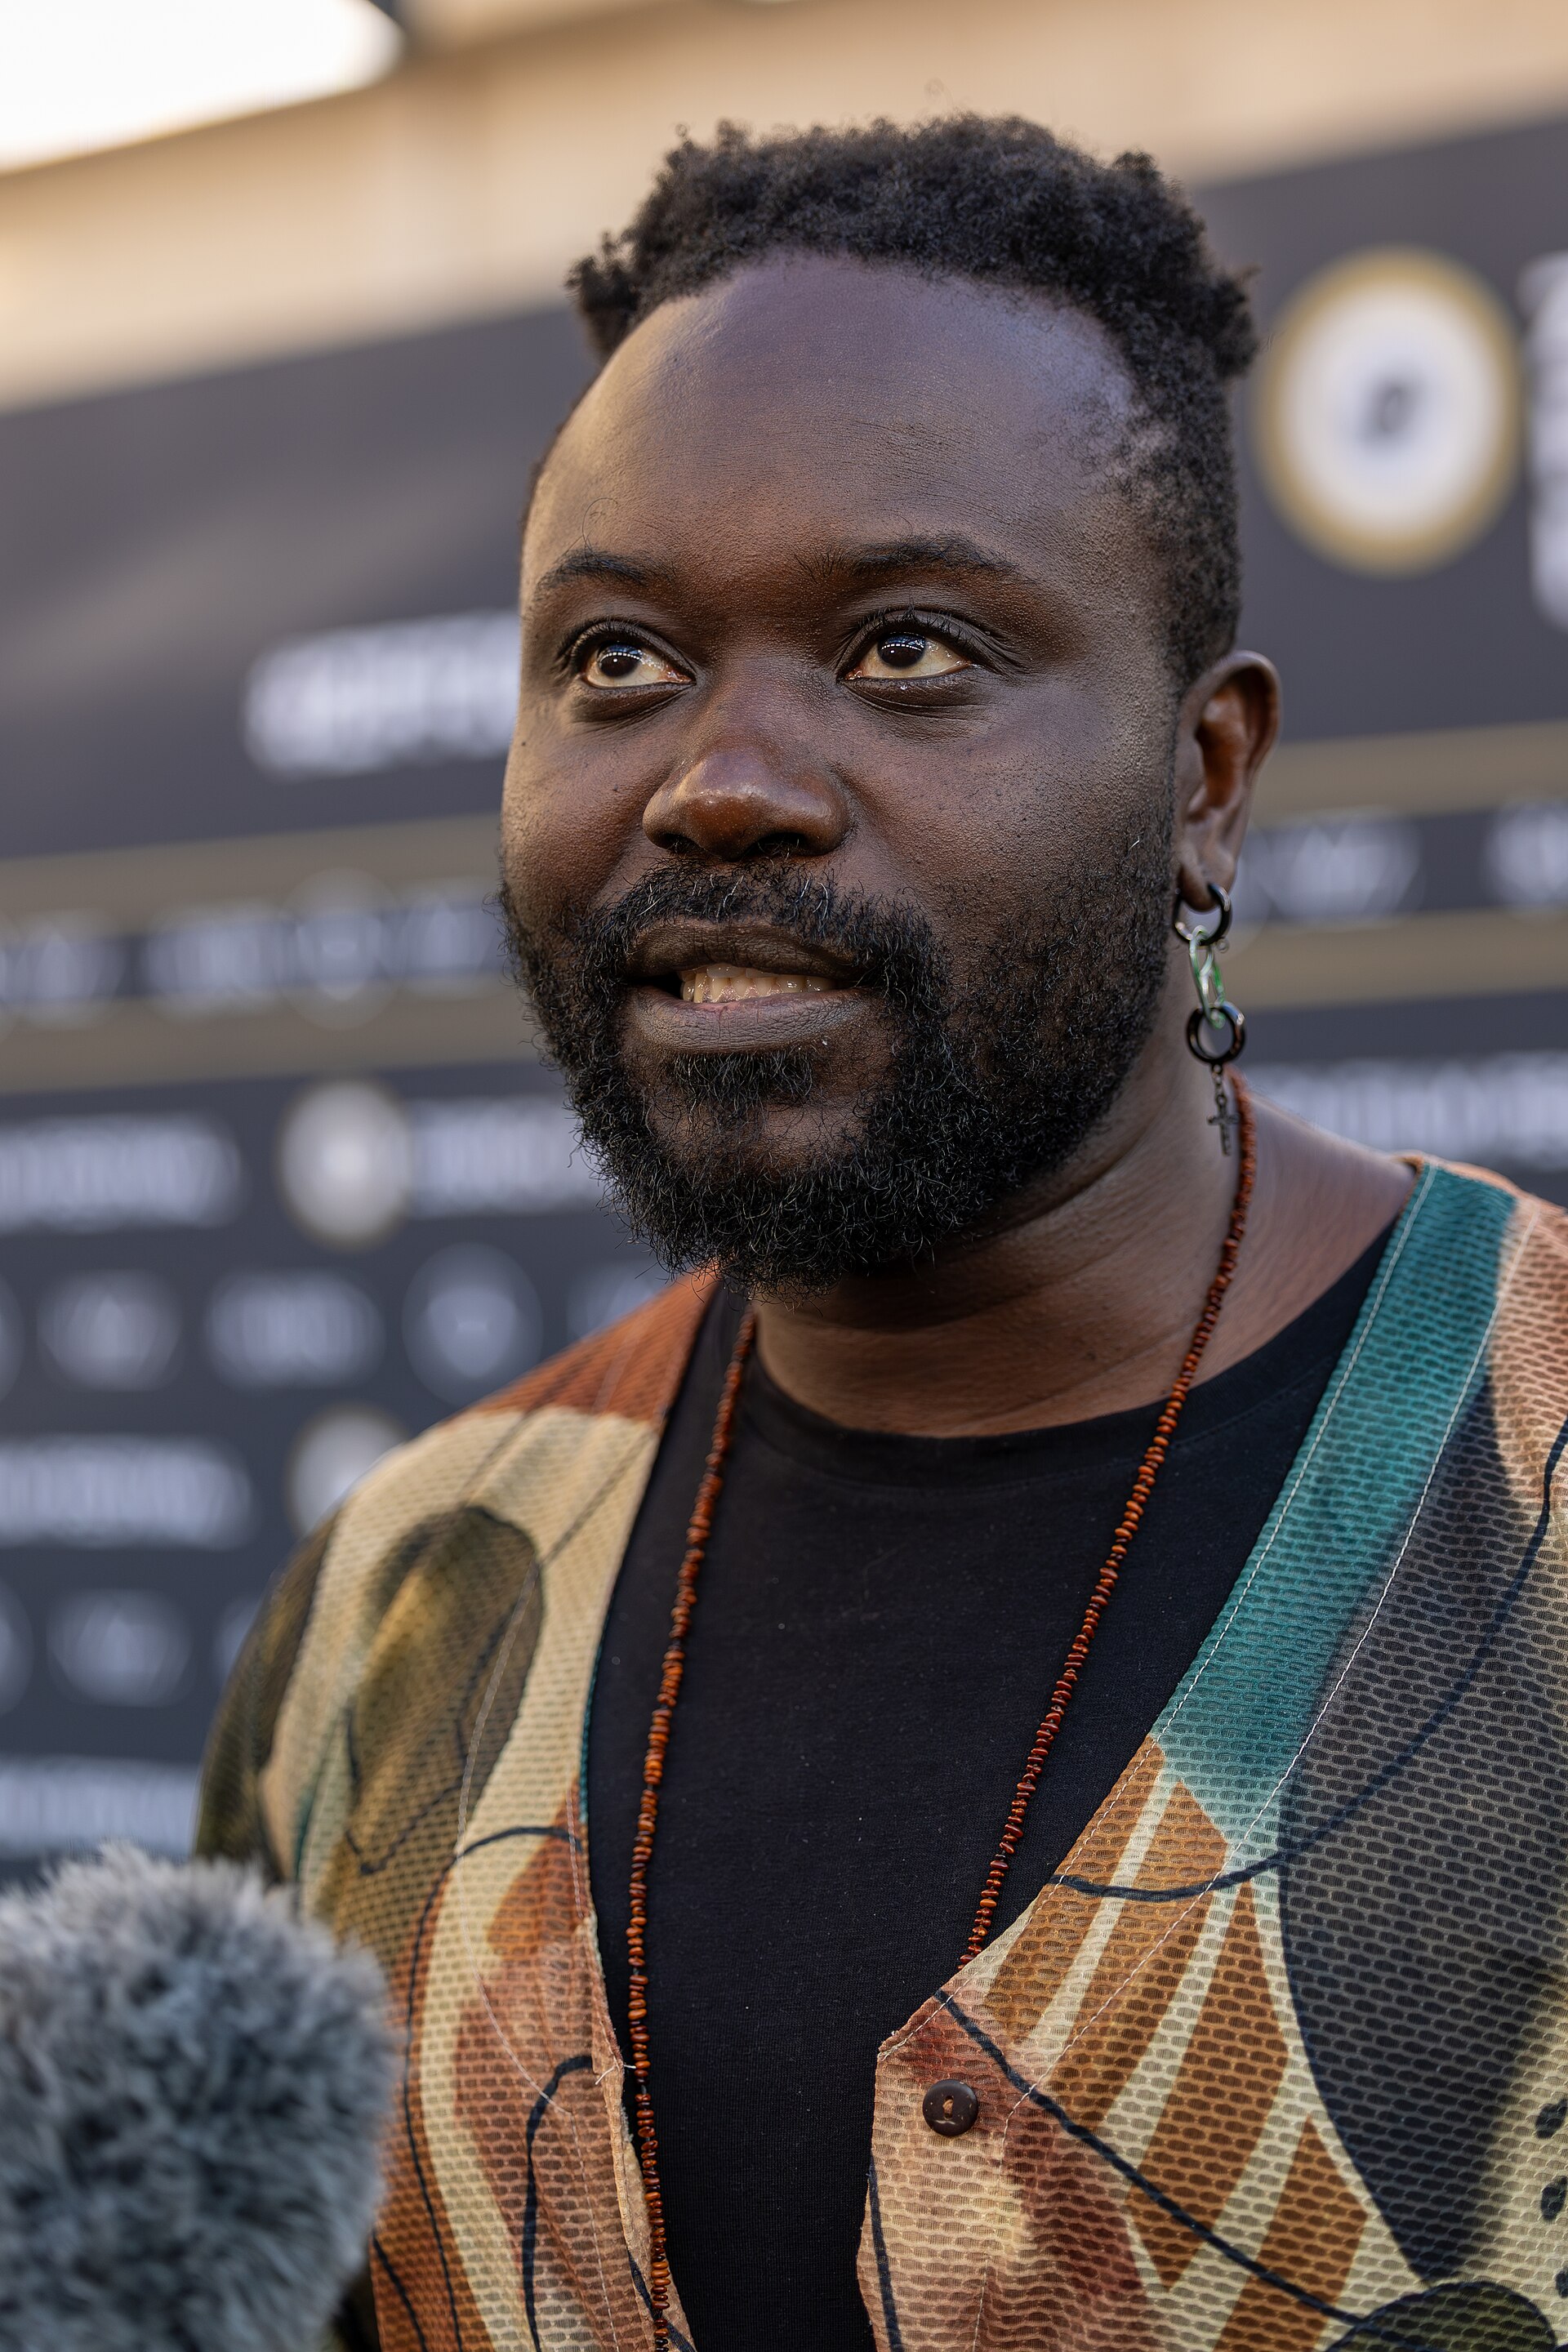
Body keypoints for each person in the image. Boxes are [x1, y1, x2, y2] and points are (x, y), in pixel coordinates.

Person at [199, 117, 1568, 2352]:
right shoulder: (396, 1611)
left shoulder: (1535, 1478)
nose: (722, 780)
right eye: (617, 660)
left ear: (1206, 781)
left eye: (909, 648)